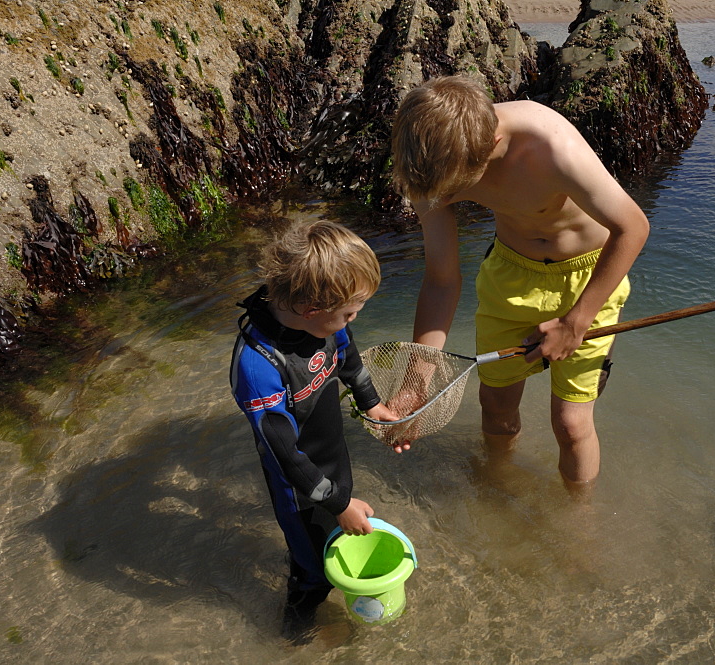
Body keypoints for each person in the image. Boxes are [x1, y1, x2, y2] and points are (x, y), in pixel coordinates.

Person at [390, 75, 650, 493]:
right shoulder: (429, 166)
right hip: (510, 275)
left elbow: (633, 227)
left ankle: (579, 525)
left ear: (491, 146)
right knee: (493, 406)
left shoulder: (550, 145)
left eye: (459, 185)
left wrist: (576, 322)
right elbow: (441, 279)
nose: (448, 195)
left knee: (570, 424)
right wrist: (415, 384)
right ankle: (497, 488)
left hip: (589, 279)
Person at [229, 220, 399, 641]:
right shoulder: (258, 365)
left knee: (339, 539)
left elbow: (348, 357)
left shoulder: (327, 325)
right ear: (311, 310)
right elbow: (284, 455)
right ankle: (294, 638)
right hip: (298, 488)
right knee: (312, 573)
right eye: (349, 313)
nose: (352, 320)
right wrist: (338, 502)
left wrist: (371, 403)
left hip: (332, 462)